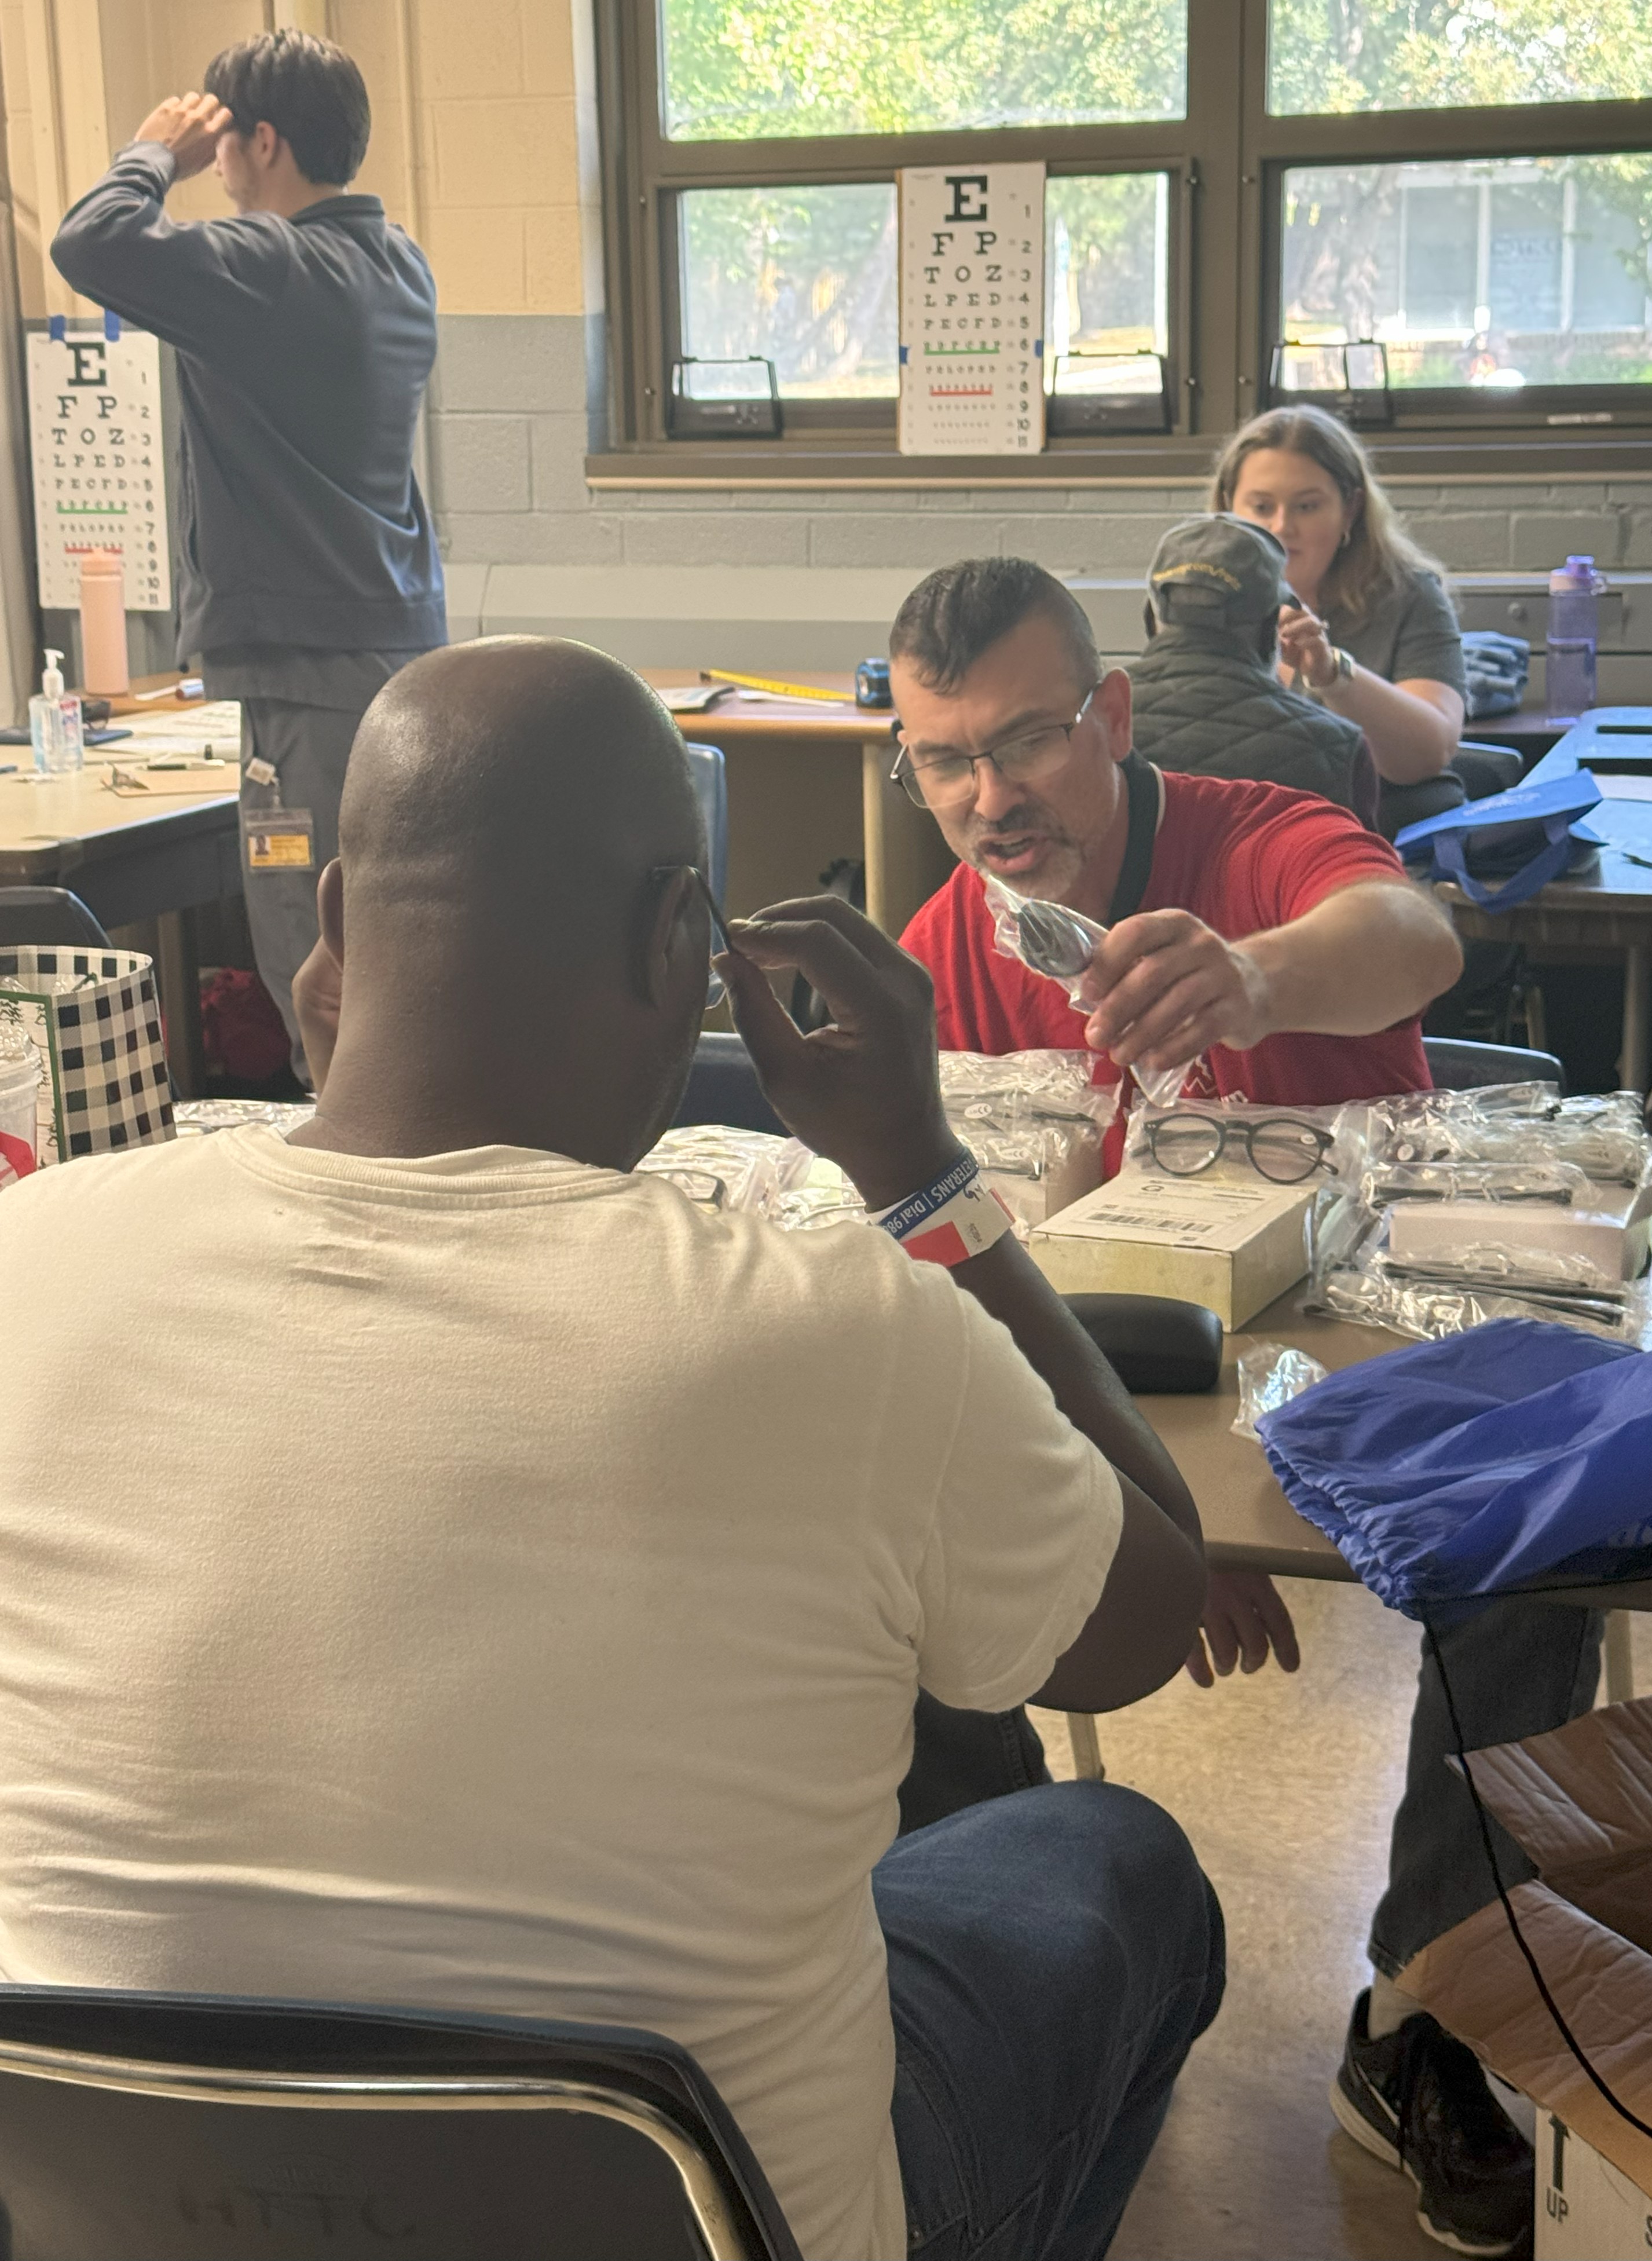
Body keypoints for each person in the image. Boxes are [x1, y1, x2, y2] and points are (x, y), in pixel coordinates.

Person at [0, 635, 1224, 2261]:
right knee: (1111, 1858)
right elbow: (1145, 1621)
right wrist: (924, 1172)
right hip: (707, 2217)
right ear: (680, 945)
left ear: (339, 927)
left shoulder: (34, 1257)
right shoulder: (832, 1331)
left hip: (129, 2205)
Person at [891, 558, 1589, 2260]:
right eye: (944, 760)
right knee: (886, 1550)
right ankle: (987, 1988)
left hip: (1376, 1333)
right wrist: (1150, 1512)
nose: (993, 797)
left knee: (1535, 1559)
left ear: (1112, 718)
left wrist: (1259, 979)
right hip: (1139, 1379)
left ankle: (1424, 2010)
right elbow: (967, 1289)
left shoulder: (1252, 830)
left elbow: (1413, 939)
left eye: (1034, 740)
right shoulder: (947, 950)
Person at [51, 29, 445, 1083]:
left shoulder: (270, 269)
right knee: (390, 954)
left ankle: (356, 1191)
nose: (213, 169)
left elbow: (90, 244)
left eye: (223, 143)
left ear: (259, 139)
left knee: (316, 971)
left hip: (298, 682)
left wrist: (152, 158)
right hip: (388, 661)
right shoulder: (398, 264)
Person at [1211, 405, 1466, 793]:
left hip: (1384, 835)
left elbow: (1431, 751)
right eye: (1262, 508)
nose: (1282, 526)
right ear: (1228, 508)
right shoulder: (1200, 601)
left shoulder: (1409, 594)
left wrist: (1332, 674)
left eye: (1307, 506)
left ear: (1350, 509)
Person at [1126, 513, 1380, 827]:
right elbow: (1366, 872)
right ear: (1272, 626)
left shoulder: (1090, 717)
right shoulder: (1338, 748)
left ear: (1151, 617)